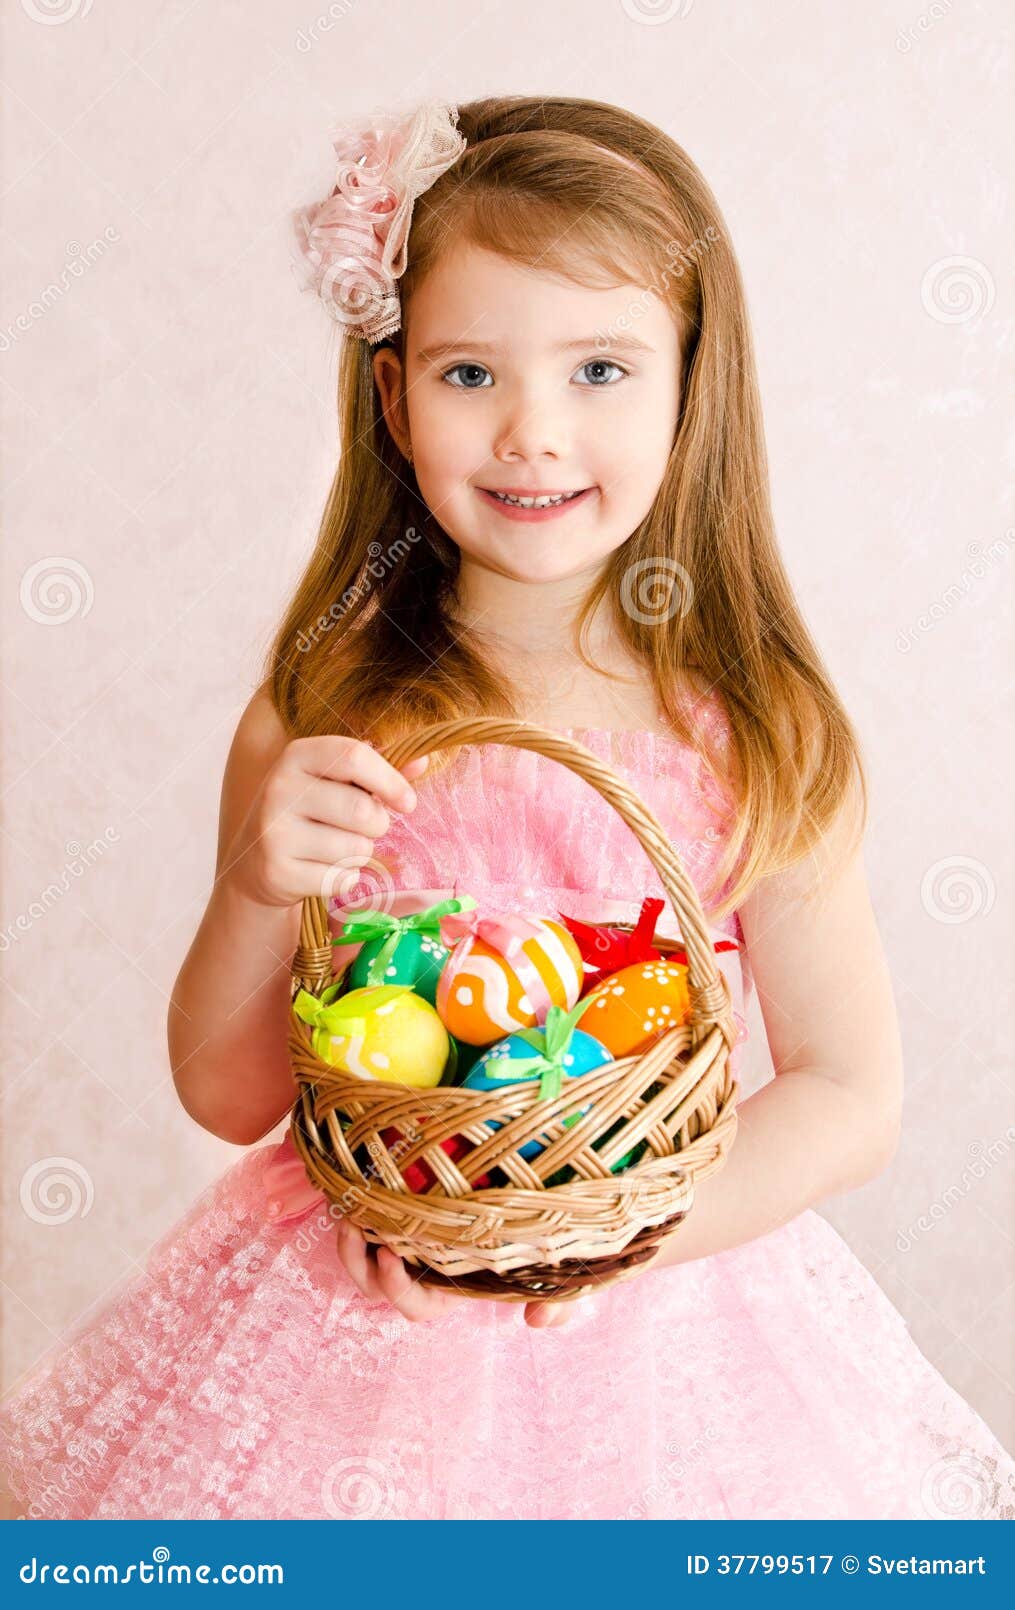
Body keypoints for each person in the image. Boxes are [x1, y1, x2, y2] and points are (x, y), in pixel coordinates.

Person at [2, 95, 1012, 1522]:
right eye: (473, 370)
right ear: (393, 393)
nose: (535, 430)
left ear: (688, 387)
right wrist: (251, 893)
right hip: (350, 1336)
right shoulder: (325, 711)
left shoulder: (752, 728)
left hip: (670, 1330)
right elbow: (231, 1090)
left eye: (601, 366)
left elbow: (852, 1090)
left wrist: (620, 1235)